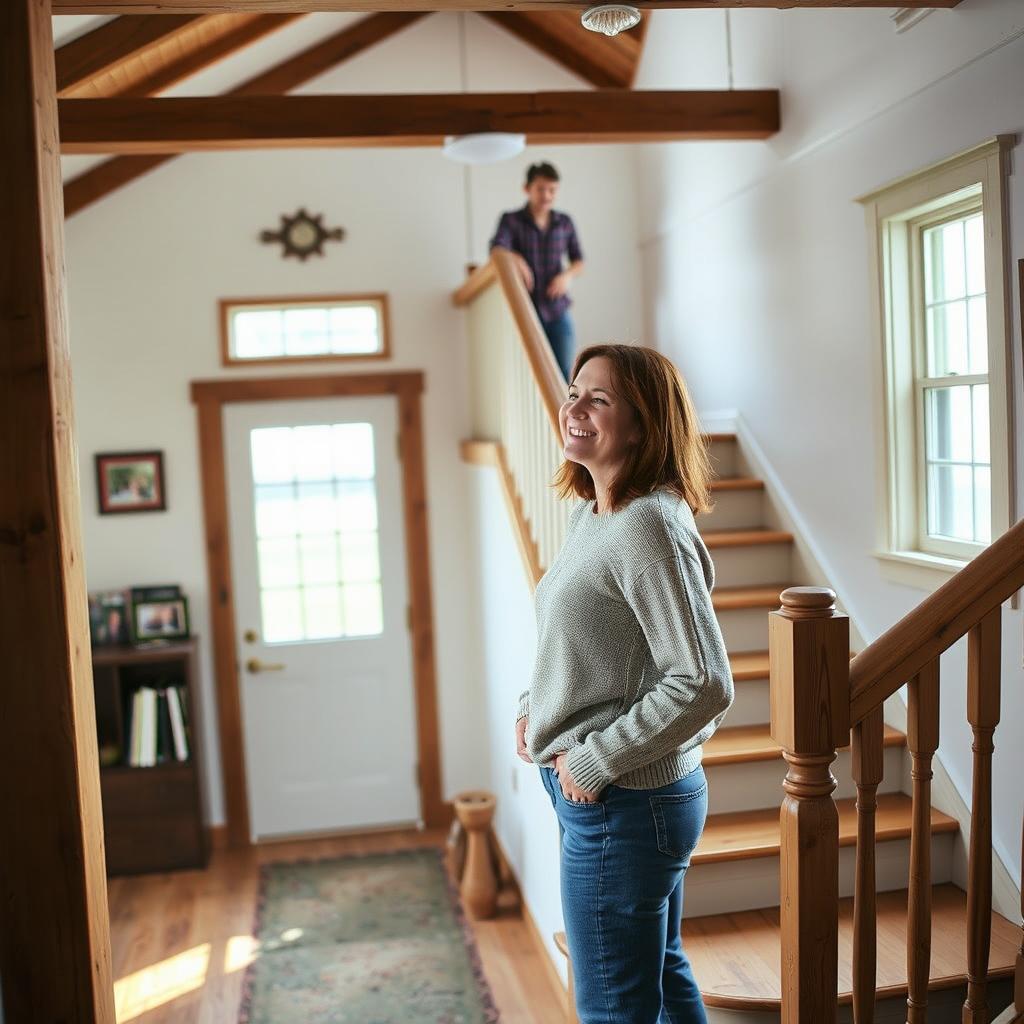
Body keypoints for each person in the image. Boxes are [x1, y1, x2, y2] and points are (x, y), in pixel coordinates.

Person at [513, 343, 734, 1023]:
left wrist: (595, 756)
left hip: (624, 802)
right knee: (658, 981)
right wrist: (535, 707)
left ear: (643, 425)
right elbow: (579, 638)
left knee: (612, 1006)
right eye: (574, 390)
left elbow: (702, 681)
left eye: (598, 399)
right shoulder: (594, 515)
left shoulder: (649, 529)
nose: (573, 406)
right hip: (608, 798)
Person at [489, 162, 584, 381]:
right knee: (530, 375)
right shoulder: (511, 220)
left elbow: (579, 260)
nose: (547, 195)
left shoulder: (564, 222)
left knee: (566, 373)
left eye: (552, 190)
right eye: (541, 189)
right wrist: (517, 259)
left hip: (558, 309)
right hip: (526, 309)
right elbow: (496, 249)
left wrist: (566, 277)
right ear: (527, 189)